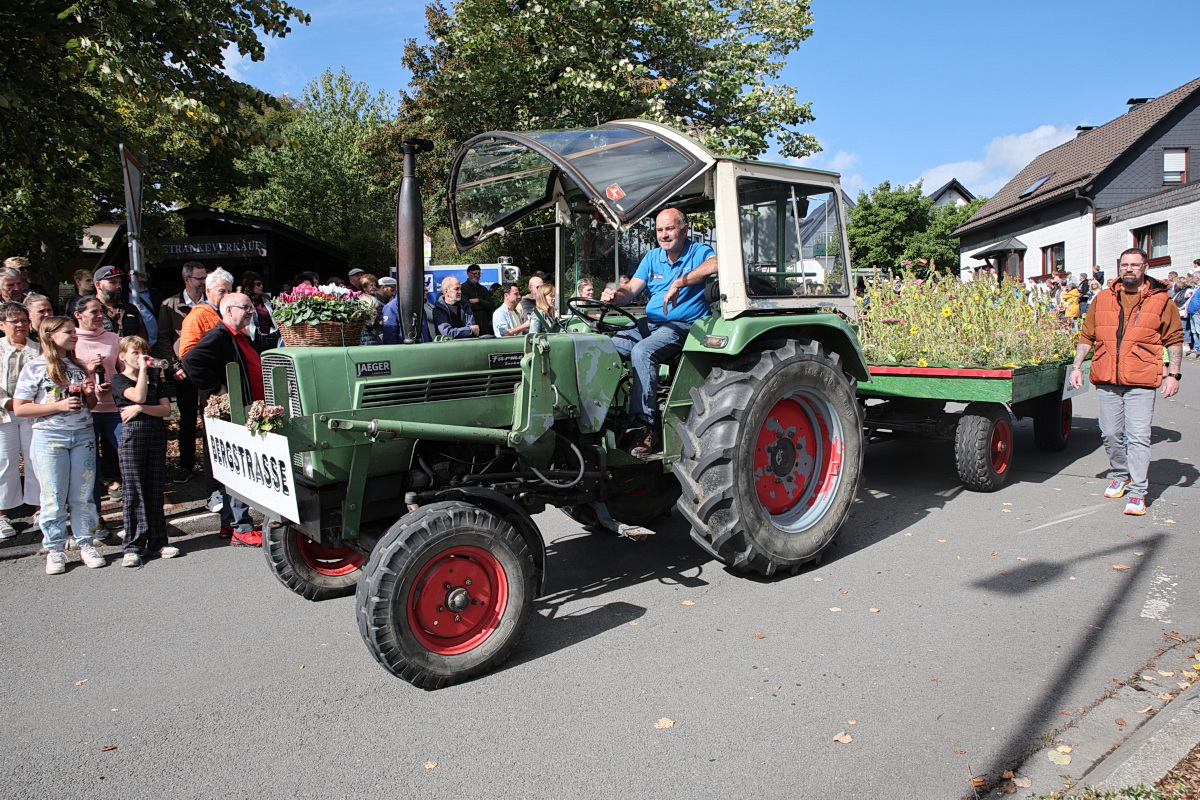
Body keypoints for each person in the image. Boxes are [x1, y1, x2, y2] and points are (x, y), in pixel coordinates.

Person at [1069, 248, 1183, 516]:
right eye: (1124, 265)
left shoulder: (1162, 300)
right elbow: (1087, 336)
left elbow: (1174, 339)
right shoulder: (1103, 297)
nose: (1128, 269)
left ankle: (1138, 493)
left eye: (1134, 264)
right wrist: (1076, 367)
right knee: (1109, 433)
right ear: (1119, 267)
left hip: (1142, 379)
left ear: (1145, 267)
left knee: (1139, 437)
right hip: (1107, 377)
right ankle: (1121, 474)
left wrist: (1174, 374)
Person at [608, 208, 717, 456]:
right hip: (651, 323)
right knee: (606, 347)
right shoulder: (653, 257)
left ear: (684, 229)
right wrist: (616, 296)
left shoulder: (698, 252)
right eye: (659, 230)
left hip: (683, 326)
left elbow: (717, 263)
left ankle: (644, 427)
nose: (664, 234)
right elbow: (630, 290)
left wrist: (680, 282)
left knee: (643, 351)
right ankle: (604, 414)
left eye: (670, 228)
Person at [12, 316, 104, 574]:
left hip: (82, 435)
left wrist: (88, 394)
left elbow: (93, 405)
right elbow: (20, 408)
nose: (74, 335)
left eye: (74, 331)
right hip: (49, 438)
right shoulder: (35, 367)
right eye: (68, 332)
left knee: (83, 495)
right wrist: (57, 406)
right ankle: (55, 549)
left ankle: (86, 542)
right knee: (53, 496)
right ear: (50, 335)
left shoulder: (78, 365)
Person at [182, 294, 264, 548]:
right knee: (238, 468)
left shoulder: (240, 335)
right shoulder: (219, 335)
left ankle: (231, 523)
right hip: (232, 414)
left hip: (246, 411)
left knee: (236, 468)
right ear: (229, 310)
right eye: (245, 307)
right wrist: (219, 390)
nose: (251, 311)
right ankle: (241, 527)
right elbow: (190, 361)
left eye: (251, 307)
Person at [111, 336, 178, 566]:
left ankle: (158, 541)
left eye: (144, 353)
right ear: (122, 356)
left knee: (154, 487)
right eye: (135, 353)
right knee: (134, 489)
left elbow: (165, 410)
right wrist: (142, 373)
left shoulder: (154, 379)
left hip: (155, 433)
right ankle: (132, 545)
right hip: (132, 436)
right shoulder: (118, 380)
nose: (141, 358)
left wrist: (140, 408)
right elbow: (137, 395)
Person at [154, 262, 206, 483]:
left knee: (211, 416)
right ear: (187, 279)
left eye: (205, 278)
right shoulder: (169, 305)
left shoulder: (211, 303)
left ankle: (213, 465)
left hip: (206, 370)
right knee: (187, 419)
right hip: (183, 371)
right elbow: (164, 338)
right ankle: (186, 465)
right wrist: (174, 366)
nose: (204, 282)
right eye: (199, 279)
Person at [73, 296, 123, 514]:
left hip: (114, 409)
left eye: (101, 311)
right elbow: (64, 376)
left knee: (130, 457)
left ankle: (138, 512)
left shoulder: (113, 337)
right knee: (89, 468)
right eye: (94, 312)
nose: (100, 315)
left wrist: (116, 384)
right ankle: (93, 519)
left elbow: (123, 370)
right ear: (78, 315)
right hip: (87, 411)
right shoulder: (70, 339)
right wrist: (88, 371)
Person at [0, 303, 41, 538]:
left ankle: (39, 510)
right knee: (4, 463)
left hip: (33, 416)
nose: (20, 325)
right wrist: (11, 403)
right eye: (14, 321)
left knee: (36, 461)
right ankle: (2, 516)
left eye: (24, 320)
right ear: (2, 325)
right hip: (4, 414)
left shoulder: (38, 350)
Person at [179, 268, 233, 357]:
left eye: (229, 291)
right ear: (208, 291)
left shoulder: (233, 312)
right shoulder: (196, 316)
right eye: (222, 291)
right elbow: (187, 354)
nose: (226, 295)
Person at [92, 266, 146, 339]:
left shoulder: (130, 309)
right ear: (98, 285)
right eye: (113, 282)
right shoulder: (88, 310)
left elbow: (143, 338)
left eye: (120, 282)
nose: (118, 286)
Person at [239, 270, 278, 352]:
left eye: (262, 284)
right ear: (249, 286)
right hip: (254, 340)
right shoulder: (244, 301)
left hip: (271, 338)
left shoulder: (265, 299)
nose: (261, 286)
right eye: (258, 284)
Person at [460, 264, 496, 335]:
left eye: (479, 273)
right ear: (469, 274)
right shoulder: (463, 288)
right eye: (475, 274)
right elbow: (467, 306)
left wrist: (478, 300)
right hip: (471, 328)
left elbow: (491, 305)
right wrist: (483, 307)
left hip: (484, 327)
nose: (477, 275)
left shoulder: (483, 289)